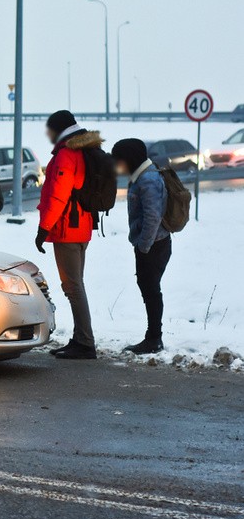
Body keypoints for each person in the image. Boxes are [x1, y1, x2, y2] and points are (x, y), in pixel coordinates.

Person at [36, 110, 101, 360]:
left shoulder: (67, 154)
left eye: (50, 128)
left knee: (73, 286)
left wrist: (44, 229)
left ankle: (85, 342)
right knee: (75, 285)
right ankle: (81, 338)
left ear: (58, 129)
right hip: (81, 226)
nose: (48, 134)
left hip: (67, 229)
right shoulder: (82, 149)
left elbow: (58, 195)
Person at [111, 138, 171, 354]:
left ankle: (154, 338)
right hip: (152, 244)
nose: (119, 166)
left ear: (130, 159)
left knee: (151, 291)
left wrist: (143, 247)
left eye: (120, 161)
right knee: (149, 289)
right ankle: (153, 337)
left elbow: (153, 217)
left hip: (154, 246)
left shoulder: (147, 180)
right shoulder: (143, 177)